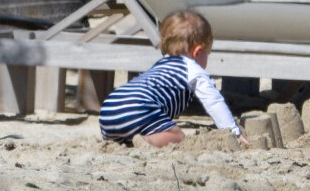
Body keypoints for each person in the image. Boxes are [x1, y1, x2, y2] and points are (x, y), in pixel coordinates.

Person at [99, 10, 250, 148]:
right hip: (139, 108)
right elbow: (214, 101)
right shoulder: (192, 69)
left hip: (109, 109)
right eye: (207, 54)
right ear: (197, 52)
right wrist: (233, 131)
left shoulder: (160, 66)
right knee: (178, 136)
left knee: (140, 125)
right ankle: (146, 142)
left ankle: (129, 140)